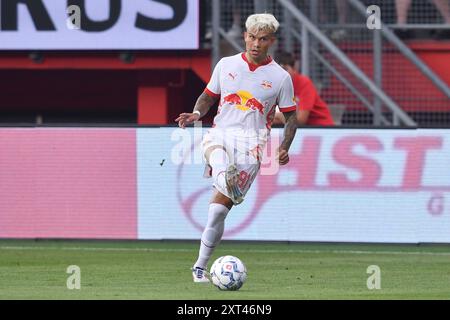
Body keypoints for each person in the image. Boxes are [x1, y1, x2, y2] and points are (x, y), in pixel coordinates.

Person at [175, 13, 298, 283]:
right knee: (216, 152)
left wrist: (285, 146)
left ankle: (199, 267)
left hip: (252, 146)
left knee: (218, 211)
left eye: (262, 39)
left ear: (271, 41)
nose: (256, 43)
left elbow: (290, 117)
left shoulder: (280, 77)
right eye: (252, 37)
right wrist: (197, 114)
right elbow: (209, 96)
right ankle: (223, 173)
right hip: (222, 133)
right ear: (245, 36)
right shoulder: (226, 64)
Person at [272, 51, 334, 126]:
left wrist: (278, 115)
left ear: (294, 69)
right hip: (297, 130)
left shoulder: (304, 83)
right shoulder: (275, 86)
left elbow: (301, 121)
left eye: (285, 69)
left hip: (321, 128)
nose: (281, 74)